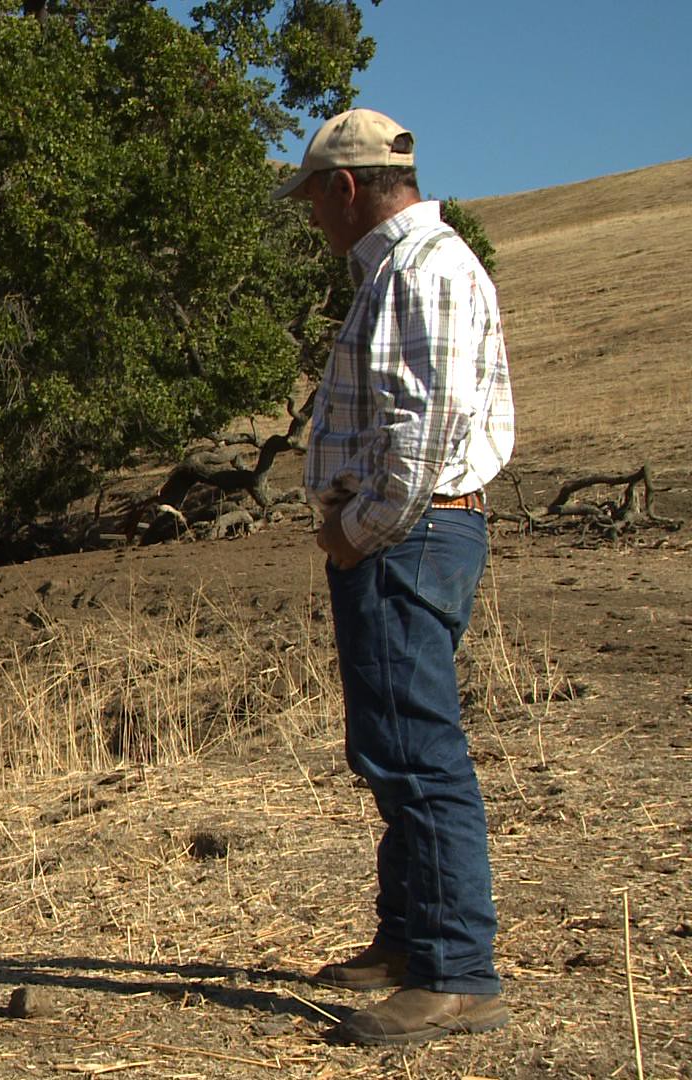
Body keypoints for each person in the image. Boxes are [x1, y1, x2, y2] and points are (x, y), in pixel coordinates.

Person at [274, 108, 516, 1046]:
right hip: (401, 538)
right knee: (391, 744)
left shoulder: (426, 271)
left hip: (404, 539)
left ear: (346, 189)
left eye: (314, 202)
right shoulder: (401, 272)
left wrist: (358, 530)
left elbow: (425, 433)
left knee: (417, 752)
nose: (313, 221)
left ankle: (458, 974)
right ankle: (412, 939)